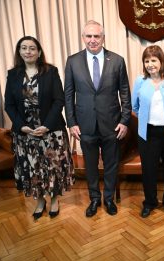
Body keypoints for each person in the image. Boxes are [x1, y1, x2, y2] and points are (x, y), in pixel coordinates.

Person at [64, 20, 131, 217]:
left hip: (112, 124)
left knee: (111, 164)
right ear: (83, 38)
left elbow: (125, 94)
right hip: (84, 125)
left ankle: (109, 199)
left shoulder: (117, 61)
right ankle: (94, 199)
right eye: (89, 36)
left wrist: (125, 120)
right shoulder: (73, 61)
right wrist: (72, 122)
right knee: (90, 165)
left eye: (96, 36)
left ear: (103, 38)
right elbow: (68, 94)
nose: (93, 40)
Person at [5, 36, 74, 221]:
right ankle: (40, 201)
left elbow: (59, 100)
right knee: (33, 169)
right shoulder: (13, 75)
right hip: (26, 134)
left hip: (51, 132)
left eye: (32, 48)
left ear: (39, 52)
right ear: (19, 52)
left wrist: (46, 126)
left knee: (52, 168)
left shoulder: (50, 72)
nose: (28, 51)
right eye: (24, 48)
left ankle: (53, 200)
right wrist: (22, 127)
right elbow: (9, 105)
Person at [132, 45, 164, 218]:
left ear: (161, 61)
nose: (150, 64)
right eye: (146, 61)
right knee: (149, 170)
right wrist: (149, 119)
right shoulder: (140, 81)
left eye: (153, 60)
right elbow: (135, 107)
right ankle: (150, 202)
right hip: (148, 133)